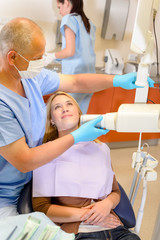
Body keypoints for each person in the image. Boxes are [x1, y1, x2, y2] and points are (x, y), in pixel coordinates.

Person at [0, 17, 154, 218]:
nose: (42, 61)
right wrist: (76, 136)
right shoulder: (3, 102)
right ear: (13, 57)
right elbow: (25, 161)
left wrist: (116, 80)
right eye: (37, 57)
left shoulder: (30, 77)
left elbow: (75, 82)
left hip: (32, 179)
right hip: (7, 193)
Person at [32, 91, 140, 240]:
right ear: (51, 120)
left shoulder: (100, 149)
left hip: (115, 229)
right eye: (57, 107)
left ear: (79, 113)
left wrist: (106, 205)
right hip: (79, 232)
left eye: (69, 104)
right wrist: (88, 215)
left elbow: (115, 192)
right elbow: (42, 208)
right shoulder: (45, 153)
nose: (65, 108)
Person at [46, 0, 96, 114]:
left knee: (66, 119)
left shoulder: (69, 19)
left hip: (75, 81)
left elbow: (69, 51)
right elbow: (82, 52)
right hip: (90, 80)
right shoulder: (89, 23)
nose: (59, 12)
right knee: (79, 118)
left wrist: (51, 56)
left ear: (67, 3)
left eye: (59, 7)